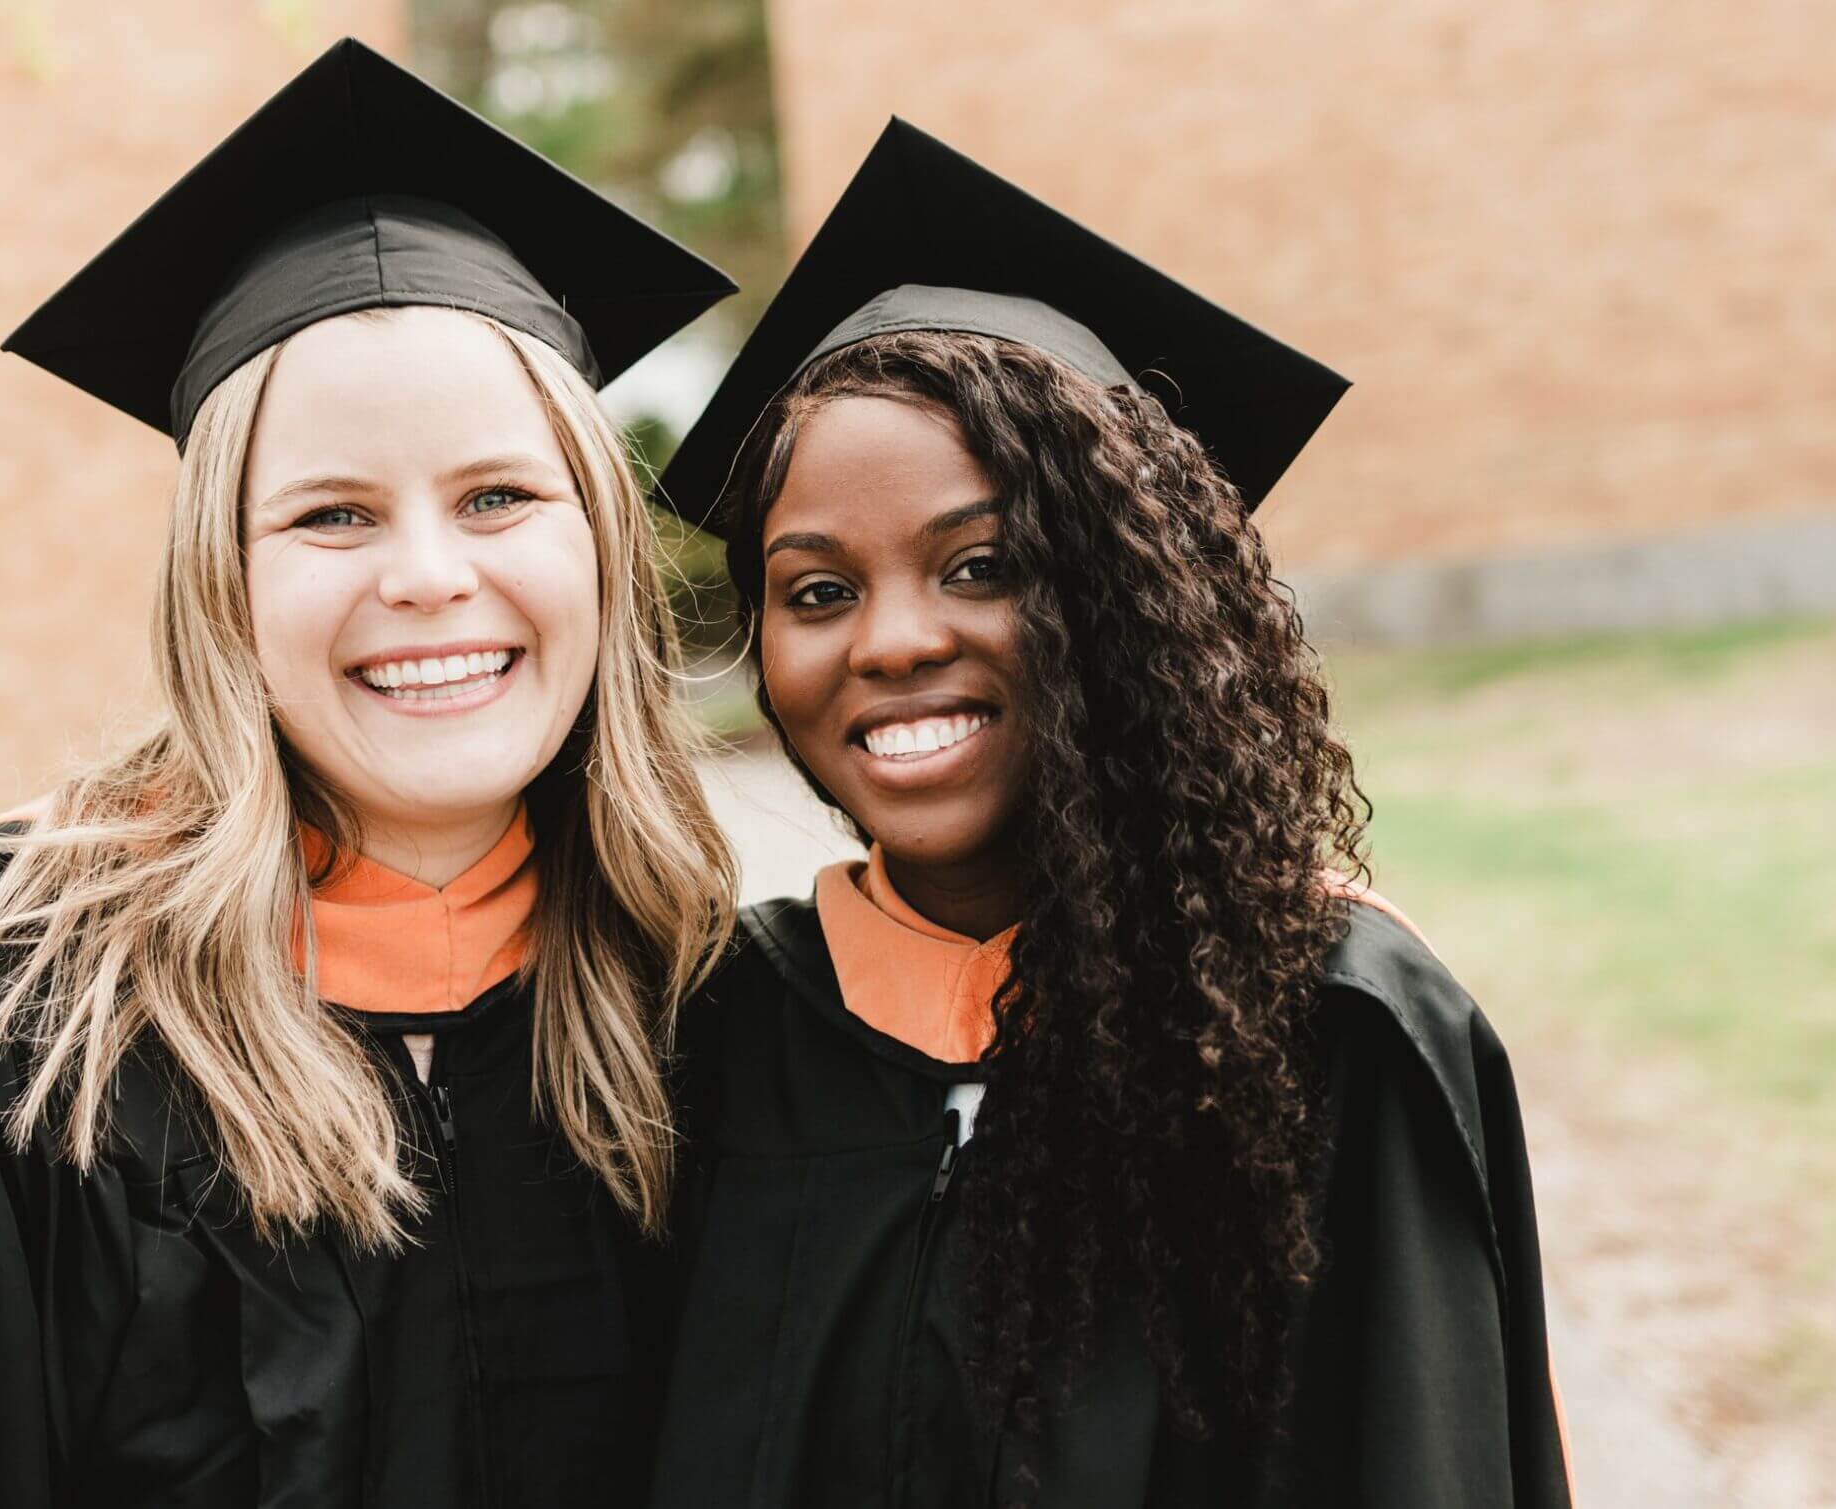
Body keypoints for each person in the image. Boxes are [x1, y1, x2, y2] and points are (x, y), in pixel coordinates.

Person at [0, 41, 737, 1507]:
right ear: (221, 588)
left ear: (602, 547)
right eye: (332, 515)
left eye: (500, 495)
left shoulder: (702, 1010)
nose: (431, 577)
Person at [646, 120, 1574, 1507]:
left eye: (984, 563)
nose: (891, 640)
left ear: (1133, 596)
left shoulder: (1322, 1028)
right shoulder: (735, 1033)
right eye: (819, 590)